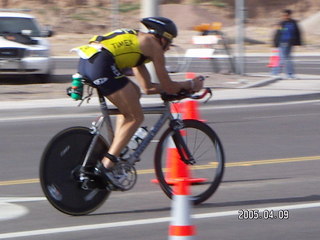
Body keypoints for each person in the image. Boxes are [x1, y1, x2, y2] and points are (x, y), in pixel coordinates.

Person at [73, 17, 204, 189]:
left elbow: (147, 88)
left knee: (133, 94)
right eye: (169, 42)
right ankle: (107, 165)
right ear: (163, 38)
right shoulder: (154, 46)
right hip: (101, 63)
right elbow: (168, 86)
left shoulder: (138, 46)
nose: (168, 47)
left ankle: (116, 150)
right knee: (136, 117)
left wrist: (171, 88)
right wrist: (191, 85)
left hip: (88, 60)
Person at [273, 9, 302, 78]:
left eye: (286, 15)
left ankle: (278, 72)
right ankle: (286, 73)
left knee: (284, 58)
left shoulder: (293, 23)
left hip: (290, 43)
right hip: (282, 42)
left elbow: (298, 33)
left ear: (290, 15)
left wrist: (298, 42)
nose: (285, 16)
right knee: (284, 58)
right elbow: (277, 33)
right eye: (283, 15)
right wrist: (275, 42)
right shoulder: (281, 23)